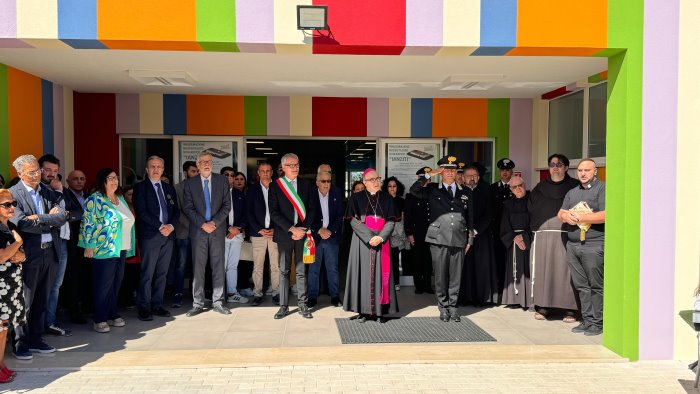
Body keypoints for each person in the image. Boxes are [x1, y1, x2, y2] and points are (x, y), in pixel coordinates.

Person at [9, 154, 67, 360]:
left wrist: (41, 218)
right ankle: (20, 342)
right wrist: (49, 219)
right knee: (25, 299)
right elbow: (21, 223)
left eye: (38, 170)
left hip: (49, 251)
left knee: (42, 297)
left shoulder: (48, 190)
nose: (37, 175)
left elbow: (62, 216)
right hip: (28, 255)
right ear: (20, 173)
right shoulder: (12, 194)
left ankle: (35, 338)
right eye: (31, 172)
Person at [410, 156, 473, 322]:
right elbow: (414, 190)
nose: (450, 172)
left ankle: (453, 307)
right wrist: (430, 174)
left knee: (456, 276)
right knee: (440, 276)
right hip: (438, 238)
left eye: (453, 169)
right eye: (446, 169)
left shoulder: (465, 192)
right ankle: (443, 307)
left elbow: (470, 217)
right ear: (442, 171)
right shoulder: (432, 189)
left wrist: (470, 239)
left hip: (459, 238)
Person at [79, 168, 135, 333]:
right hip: (104, 248)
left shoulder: (119, 198)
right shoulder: (95, 199)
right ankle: (99, 318)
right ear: (102, 180)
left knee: (116, 283)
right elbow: (88, 223)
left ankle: (112, 313)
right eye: (110, 178)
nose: (114, 181)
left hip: (121, 247)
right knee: (103, 285)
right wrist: (88, 245)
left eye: (116, 178)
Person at [527, 154, 579, 322]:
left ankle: (570, 309)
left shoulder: (575, 188)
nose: (555, 167)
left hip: (566, 236)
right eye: (552, 164)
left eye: (559, 164)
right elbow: (531, 209)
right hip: (544, 237)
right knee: (544, 271)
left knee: (566, 273)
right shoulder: (539, 188)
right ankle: (543, 306)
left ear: (566, 167)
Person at [558, 158, 606, 336]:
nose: (583, 173)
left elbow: (604, 215)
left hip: (594, 244)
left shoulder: (602, 188)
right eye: (580, 170)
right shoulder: (572, 192)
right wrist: (565, 217)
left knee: (596, 285)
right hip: (573, 244)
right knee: (581, 285)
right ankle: (587, 320)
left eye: (587, 170)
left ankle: (598, 322)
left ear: (595, 171)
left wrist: (579, 217)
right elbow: (561, 212)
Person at [343, 168, 398, 323]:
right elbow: (353, 220)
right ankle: (363, 311)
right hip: (362, 242)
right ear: (365, 182)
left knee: (382, 276)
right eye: (372, 180)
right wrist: (369, 238)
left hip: (382, 240)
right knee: (362, 275)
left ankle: (380, 311)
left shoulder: (387, 198)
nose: (376, 182)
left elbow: (391, 220)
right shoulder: (356, 197)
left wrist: (380, 237)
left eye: (378, 179)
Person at [182, 152, 232, 317]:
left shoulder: (221, 180)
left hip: (217, 231)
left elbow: (226, 205)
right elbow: (188, 208)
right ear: (197, 165)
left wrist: (214, 223)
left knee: (218, 266)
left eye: (209, 161)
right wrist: (203, 224)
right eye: (203, 161)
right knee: (198, 267)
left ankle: (218, 302)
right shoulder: (190, 183)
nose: (206, 164)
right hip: (198, 231)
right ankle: (197, 303)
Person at [268, 153, 315, 319]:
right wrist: (291, 229)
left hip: (302, 233)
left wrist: (301, 229)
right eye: (291, 165)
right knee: (284, 271)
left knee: (302, 271)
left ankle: (303, 305)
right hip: (284, 234)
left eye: (297, 164)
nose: (295, 168)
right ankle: (283, 306)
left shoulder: (305, 184)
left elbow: (311, 209)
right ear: (283, 168)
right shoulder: (275, 186)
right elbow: (274, 213)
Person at [133, 156, 180, 321]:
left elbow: (176, 212)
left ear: (163, 169)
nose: (156, 169)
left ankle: (157, 304)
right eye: (152, 166)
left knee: (162, 273)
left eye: (159, 167)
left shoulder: (169, 188)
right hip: (151, 235)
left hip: (168, 236)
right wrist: (161, 226)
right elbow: (142, 212)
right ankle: (144, 307)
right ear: (147, 169)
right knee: (147, 273)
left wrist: (171, 227)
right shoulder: (140, 188)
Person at [36, 155, 72, 337]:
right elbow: (52, 218)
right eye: (47, 170)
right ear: (39, 169)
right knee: (44, 287)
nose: (51, 174)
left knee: (56, 285)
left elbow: (75, 211)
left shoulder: (58, 188)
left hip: (61, 243)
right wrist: (58, 194)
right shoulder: (39, 191)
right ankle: (38, 325)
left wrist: (61, 191)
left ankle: (49, 322)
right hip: (45, 246)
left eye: (55, 171)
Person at [459, 165, 498, 306]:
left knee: (482, 267)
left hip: (482, 235)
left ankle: (482, 298)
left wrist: (475, 231)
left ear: (479, 177)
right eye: (468, 176)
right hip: (463, 236)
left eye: (474, 175)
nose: (472, 178)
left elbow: (489, 214)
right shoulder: (459, 192)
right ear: (463, 178)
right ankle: (465, 298)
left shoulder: (486, 191)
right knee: (465, 268)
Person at [0, 189, 25, 382]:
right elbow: (1, 256)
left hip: (12, 284)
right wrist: (18, 242)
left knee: (4, 328)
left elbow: (21, 254)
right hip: (1, 286)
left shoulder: (12, 226)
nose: (11, 208)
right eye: (6, 205)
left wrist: (20, 254)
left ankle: (1, 365)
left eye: (13, 204)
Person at [308, 171, 343, 308]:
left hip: (331, 237)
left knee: (332, 269)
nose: (326, 184)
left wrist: (330, 231)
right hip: (315, 238)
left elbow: (339, 216)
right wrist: (319, 229)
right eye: (323, 181)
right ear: (317, 182)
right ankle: (312, 297)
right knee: (313, 269)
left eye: (328, 181)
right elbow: (307, 216)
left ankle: (335, 297)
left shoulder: (336, 195)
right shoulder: (310, 196)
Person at [247, 162, 280, 306]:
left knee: (275, 265)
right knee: (258, 266)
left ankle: (276, 292)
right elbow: (249, 212)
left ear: (272, 172)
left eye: (268, 171)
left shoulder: (279, 188)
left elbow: (284, 211)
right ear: (258, 173)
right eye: (263, 171)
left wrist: (276, 229)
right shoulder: (252, 189)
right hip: (258, 233)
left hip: (275, 233)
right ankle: (257, 294)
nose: (265, 173)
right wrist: (259, 229)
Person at [499, 176, 532, 308]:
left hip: (529, 239)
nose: (518, 188)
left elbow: (537, 220)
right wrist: (514, 236)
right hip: (514, 241)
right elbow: (504, 224)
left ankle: (529, 300)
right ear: (511, 189)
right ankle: (515, 299)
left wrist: (525, 235)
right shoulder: (507, 204)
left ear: (524, 185)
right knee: (515, 269)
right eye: (514, 187)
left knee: (530, 269)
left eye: (520, 185)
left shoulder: (532, 201)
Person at [62, 169, 90, 323]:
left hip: (88, 244)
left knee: (86, 276)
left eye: (82, 178)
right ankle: (74, 310)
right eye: (75, 179)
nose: (79, 181)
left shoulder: (89, 196)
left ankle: (86, 306)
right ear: (68, 181)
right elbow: (68, 214)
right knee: (73, 279)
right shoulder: (64, 195)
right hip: (72, 243)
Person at [171, 160, 198, 308]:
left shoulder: (202, 187)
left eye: (197, 171)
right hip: (183, 232)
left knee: (198, 265)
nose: (196, 174)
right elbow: (178, 212)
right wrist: (194, 224)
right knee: (181, 265)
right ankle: (178, 294)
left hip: (199, 234)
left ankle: (197, 295)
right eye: (193, 171)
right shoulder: (177, 188)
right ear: (185, 173)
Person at [220, 167, 248, 304]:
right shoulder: (216, 194)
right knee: (221, 265)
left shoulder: (239, 194)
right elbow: (214, 215)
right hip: (221, 235)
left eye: (232, 175)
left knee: (232, 265)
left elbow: (245, 214)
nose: (229, 177)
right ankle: (219, 294)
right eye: (226, 175)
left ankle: (232, 293)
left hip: (236, 235)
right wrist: (227, 230)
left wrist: (237, 228)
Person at [404, 167, 434, 294]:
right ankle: (419, 286)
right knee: (417, 260)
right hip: (417, 232)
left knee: (429, 261)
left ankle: (428, 285)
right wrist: (409, 233)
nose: (425, 178)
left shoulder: (434, 190)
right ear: (418, 178)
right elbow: (408, 216)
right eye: (422, 176)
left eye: (427, 176)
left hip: (432, 232)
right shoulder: (412, 194)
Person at [491, 158, 515, 294]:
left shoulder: (517, 187)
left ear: (511, 171)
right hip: (497, 231)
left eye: (507, 170)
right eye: (503, 170)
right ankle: (500, 288)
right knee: (499, 260)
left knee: (512, 261)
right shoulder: (493, 188)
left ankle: (512, 288)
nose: (505, 173)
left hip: (512, 231)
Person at [382, 177, 407, 292]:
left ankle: (396, 282)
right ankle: (385, 283)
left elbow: (402, 218)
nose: (392, 188)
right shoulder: (382, 200)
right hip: (384, 233)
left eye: (394, 186)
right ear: (386, 188)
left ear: (398, 188)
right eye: (390, 186)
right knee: (385, 259)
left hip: (397, 233)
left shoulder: (401, 201)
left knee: (396, 260)